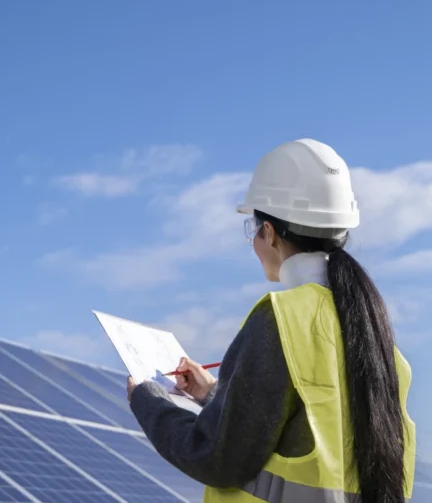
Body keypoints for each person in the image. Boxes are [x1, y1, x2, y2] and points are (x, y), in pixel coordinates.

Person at [125, 138, 417, 503]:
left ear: (270, 233)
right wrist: (215, 395)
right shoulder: (374, 336)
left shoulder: (281, 319)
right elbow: (304, 435)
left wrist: (147, 399)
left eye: (253, 230)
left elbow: (216, 457)